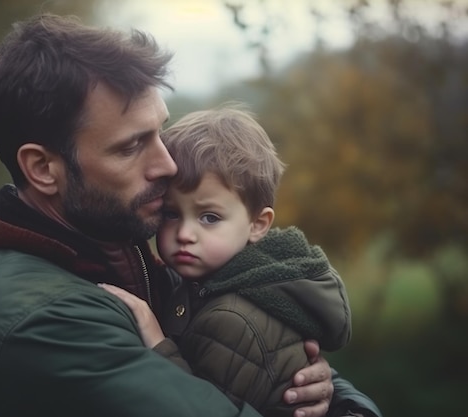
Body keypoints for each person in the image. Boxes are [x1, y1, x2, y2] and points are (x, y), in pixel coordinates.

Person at [0, 13, 380, 417]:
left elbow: (255, 344)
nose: (166, 165)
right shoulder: (48, 323)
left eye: (160, 133)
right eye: (131, 146)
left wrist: (325, 392)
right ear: (43, 169)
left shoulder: (123, 251)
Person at [101, 104, 380, 417]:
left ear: (257, 224)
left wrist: (158, 345)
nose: (184, 234)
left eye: (209, 217)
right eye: (171, 214)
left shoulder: (232, 318)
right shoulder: (208, 283)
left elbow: (204, 408)